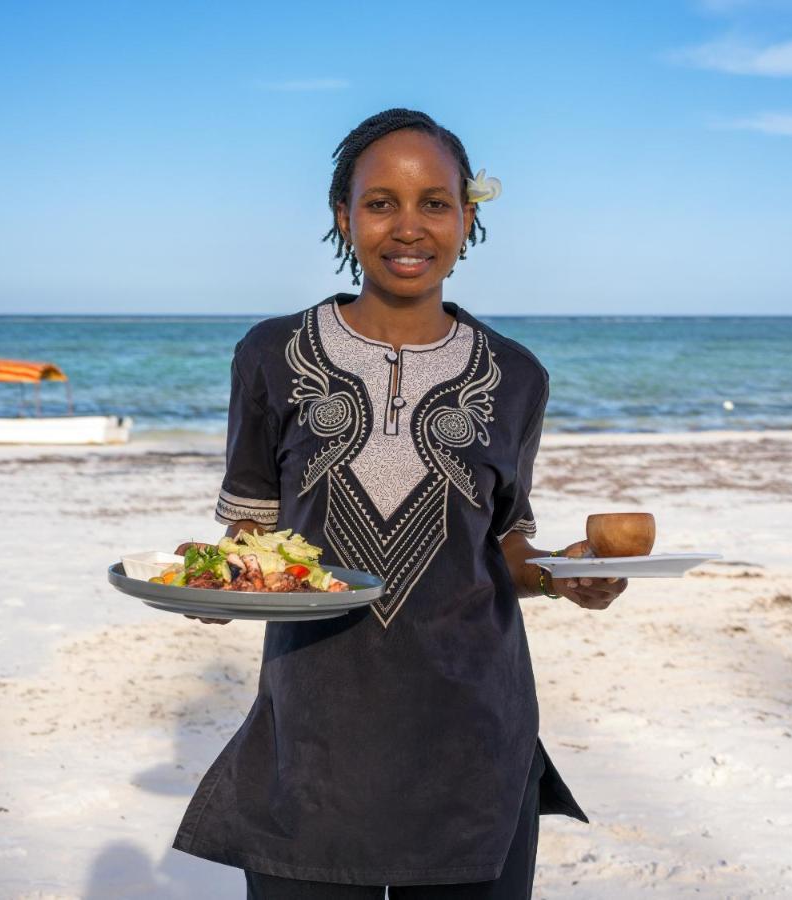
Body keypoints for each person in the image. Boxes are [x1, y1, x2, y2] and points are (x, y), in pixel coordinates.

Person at [172, 108, 627, 899]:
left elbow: (508, 546)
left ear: (468, 217)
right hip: (312, 742)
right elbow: (253, 535)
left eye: (434, 203)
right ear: (342, 217)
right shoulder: (271, 355)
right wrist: (218, 585)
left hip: (474, 742)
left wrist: (563, 576)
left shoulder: (516, 374)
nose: (408, 227)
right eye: (380, 202)